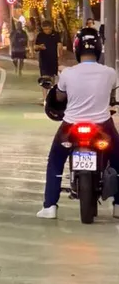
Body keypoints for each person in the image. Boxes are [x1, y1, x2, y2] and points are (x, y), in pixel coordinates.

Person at [38, 29, 119, 219]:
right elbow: (111, 94)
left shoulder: (67, 73)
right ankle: (118, 205)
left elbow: (59, 96)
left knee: (56, 160)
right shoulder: (110, 73)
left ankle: (50, 206)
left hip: (71, 125)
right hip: (102, 125)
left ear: (76, 48)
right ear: (99, 48)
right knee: (117, 158)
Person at [35, 19, 61, 100]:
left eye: (48, 29)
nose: (47, 31)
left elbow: (59, 45)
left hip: (53, 59)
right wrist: (39, 47)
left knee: (52, 78)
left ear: (51, 27)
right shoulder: (40, 35)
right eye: (45, 29)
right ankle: (45, 98)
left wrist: (60, 56)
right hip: (43, 59)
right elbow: (35, 47)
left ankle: (50, 96)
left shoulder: (56, 34)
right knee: (44, 78)